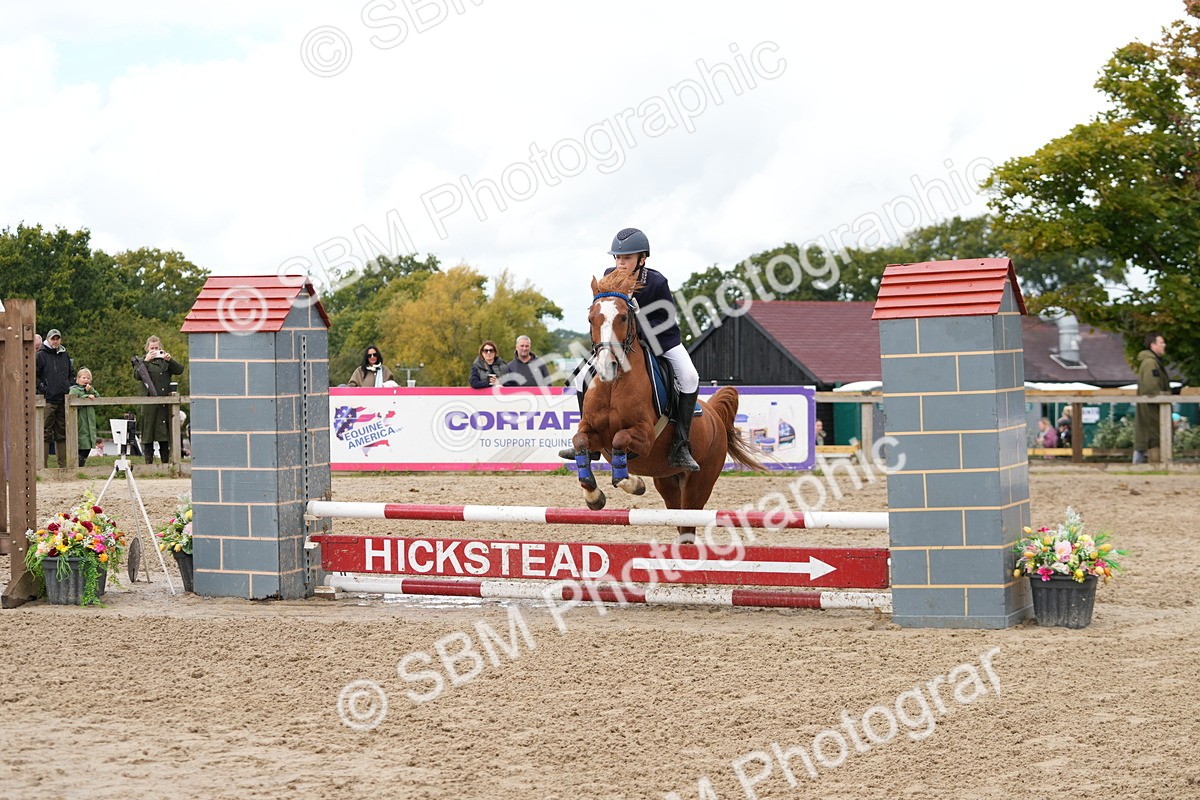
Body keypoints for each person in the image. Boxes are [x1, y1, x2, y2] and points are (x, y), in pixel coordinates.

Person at [559, 227, 702, 471]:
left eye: (626, 258)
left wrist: (637, 323)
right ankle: (588, 440)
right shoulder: (609, 276)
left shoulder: (657, 281)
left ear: (642, 259)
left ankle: (681, 444)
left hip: (660, 341)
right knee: (581, 378)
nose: (620, 262)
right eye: (618, 257)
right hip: (618, 343)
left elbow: (666, 319)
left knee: (690, 377)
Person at [138, 335, 184, 465]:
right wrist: (146, 361)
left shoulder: (165, 361)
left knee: (163, 435)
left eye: (156, 348)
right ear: (147, 348)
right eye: (152, 348)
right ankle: (148, 464)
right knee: (148, 434)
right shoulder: (142, 361)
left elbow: (179, 370)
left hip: (164, 403)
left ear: (160, 348)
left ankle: (165, 464)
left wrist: (170, 360)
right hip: (149, 404)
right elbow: (137, 375)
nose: (154, 350)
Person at [35, 329, 73, 468]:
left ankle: (63, 467)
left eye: (58, 338)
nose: (55, 341)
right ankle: (42, 467)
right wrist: (44, 389)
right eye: (53, 339)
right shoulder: (40, 355)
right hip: (48, 400)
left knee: (62, 433)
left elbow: (71, 373)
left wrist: (69, 386)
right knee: (45, 433)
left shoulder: (65, 355)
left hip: (63, 399)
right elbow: (34, 375)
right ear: (48, 339)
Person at [1134, 332, 1171, 464]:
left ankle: (1138, 467)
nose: (1164, 345)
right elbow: (1151, 388)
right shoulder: (1151, 363)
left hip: (1151, 409)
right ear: (1153, 345)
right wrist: (1164, 395)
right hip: (1152, 409)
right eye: (1161, 342)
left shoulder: (1152, 362)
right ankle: (1150, 466)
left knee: (1146, 440)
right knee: (1152, 439)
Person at [69, 368, 99, 466]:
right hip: (79, 420)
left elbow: (98, 397)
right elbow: (72, 400)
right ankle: (77, 464)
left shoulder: (90, 389)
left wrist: (91, 391)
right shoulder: (74, 389)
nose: (86, 380)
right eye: (84, 377)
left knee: (88, 444)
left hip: (89, 421)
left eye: (88, 378)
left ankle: (82, 464)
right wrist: (86, 396)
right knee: (80, 442)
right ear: (78, 379)